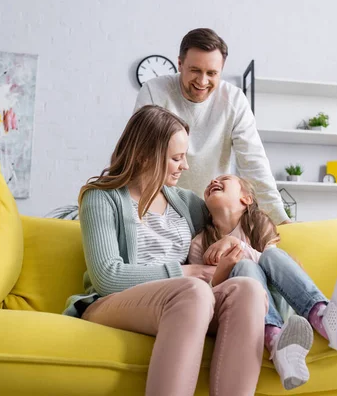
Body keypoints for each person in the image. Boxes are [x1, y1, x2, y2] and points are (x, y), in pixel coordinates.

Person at [63, 105, 268, 396]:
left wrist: (238, 243)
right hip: (113, 302)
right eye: (176, 158)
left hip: (185, 302)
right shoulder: (101, 198)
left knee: (247, 289)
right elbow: (107, 277)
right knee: (193, 291)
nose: (185, 166)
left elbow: (235, 222)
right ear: (145, 155)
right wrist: (185, 272)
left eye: (185, 156)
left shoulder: (188, 203)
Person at [187, 174, 337, 391]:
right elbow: (204, 293)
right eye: (210, 182)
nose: (213, 181)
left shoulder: (258, 223)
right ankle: (277, 342)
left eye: (224, 178)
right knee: (245, 268)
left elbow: (275, 265)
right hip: (244, 314)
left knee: (271, 257)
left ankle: (325, 318)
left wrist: (234, 243)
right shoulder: (200, 243)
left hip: (283, 306)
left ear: (246, 199)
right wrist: (225, 268)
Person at [133, 28, 290, 226]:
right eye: (195, 70)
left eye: (212, 73)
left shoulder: (234, 100)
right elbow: (141, 156)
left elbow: (254, 162)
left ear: (221, 71)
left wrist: (279, 218)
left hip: (212, 210)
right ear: (180, 64)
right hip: (160, 207)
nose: (202, 81)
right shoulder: (154, 91)